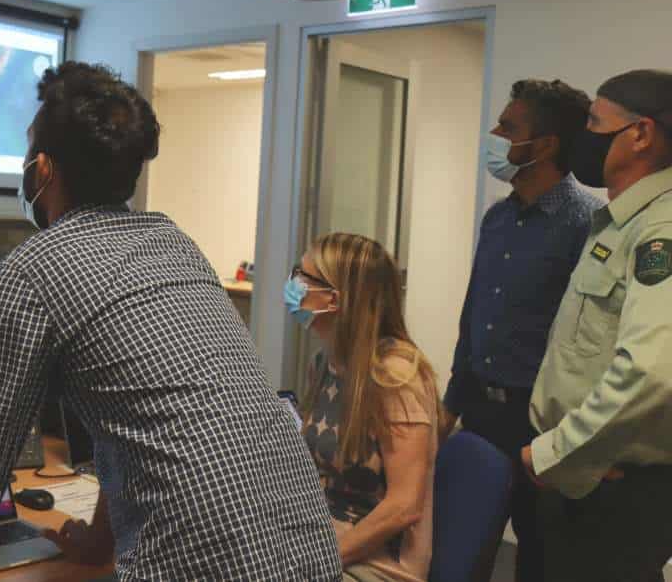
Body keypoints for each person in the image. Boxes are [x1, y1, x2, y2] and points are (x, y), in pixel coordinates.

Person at [0, 62, 342, 581]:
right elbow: (139, 425)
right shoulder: (174, 245)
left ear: (42, 170)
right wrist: (99, 543)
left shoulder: (30, 273)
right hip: (312, 555)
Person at [442, 79, 601, 581]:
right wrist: (451, 404)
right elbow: (474, 315)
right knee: (460, 550)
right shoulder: (497, 218)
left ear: (545, 145)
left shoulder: (587, 224)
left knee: (539, 559)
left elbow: (587, 340)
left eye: (507, 127)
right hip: (480, 412)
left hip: (541, 422)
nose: (494, 134)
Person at [523, 69, 672, 582]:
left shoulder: (660, 229)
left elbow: (651, 372)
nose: (582, 136)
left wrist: (556, 452)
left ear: (641, 134)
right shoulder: (621, 220)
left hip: (613, 489)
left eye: (593, 121)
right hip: (582, 477)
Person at [288, 233, 440, 582]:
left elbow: (403, 507)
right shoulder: (325, 362)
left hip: (376, 564)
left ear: (337, 299)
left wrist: (319, 560)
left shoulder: (396, 376)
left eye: (304, 278)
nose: (294, 285)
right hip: (322, 537)